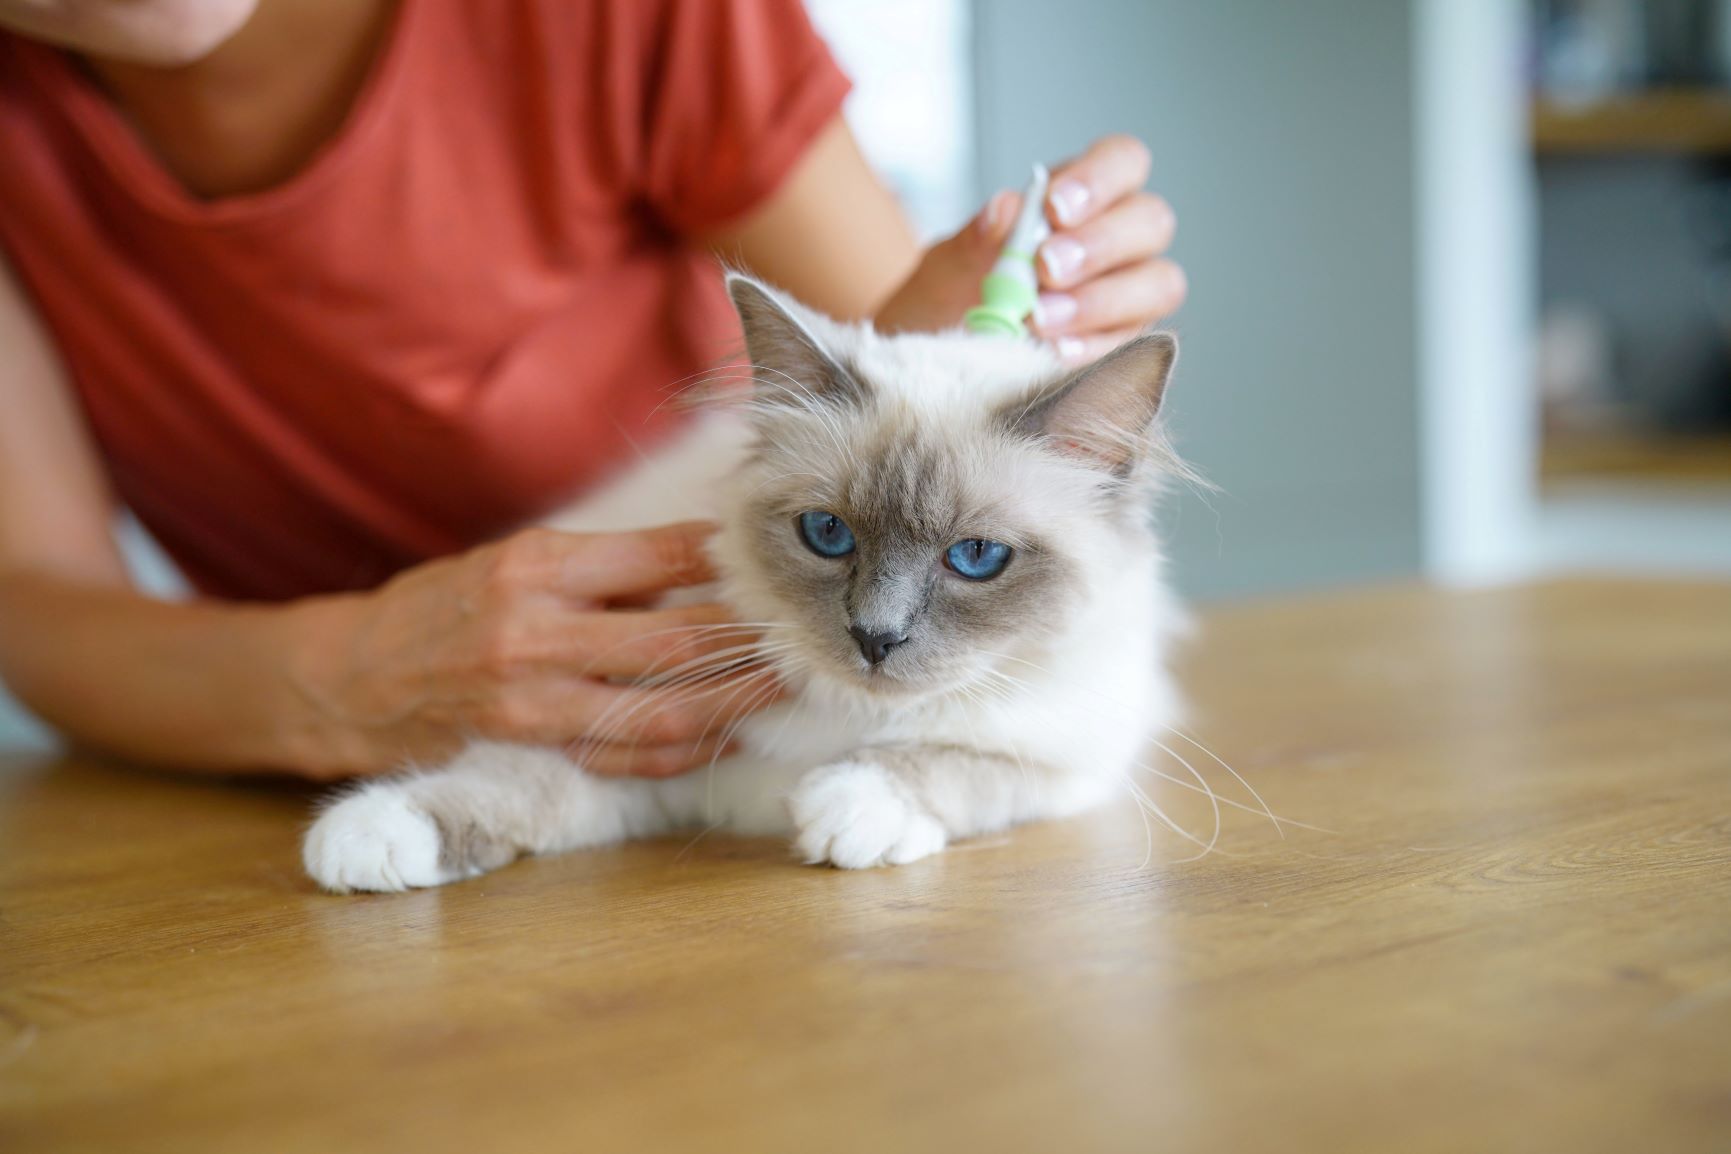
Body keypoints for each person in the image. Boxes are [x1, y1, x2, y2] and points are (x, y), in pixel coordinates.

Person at [0, 0, 1186, 781]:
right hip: (276, 769)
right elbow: (35, 602)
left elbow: (902, 382)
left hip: (719, 732)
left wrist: (978, 340)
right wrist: (349, 678)